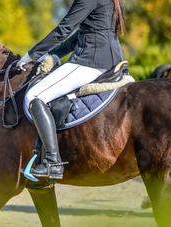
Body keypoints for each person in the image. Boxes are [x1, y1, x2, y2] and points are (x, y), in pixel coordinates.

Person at [17, 0, 126, 179]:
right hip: (112, 60)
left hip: (91, 61)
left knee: (34, 95)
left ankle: (52, 162)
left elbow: (63, 29)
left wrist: (30, 55)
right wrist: (47, 55)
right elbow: (77, 37)